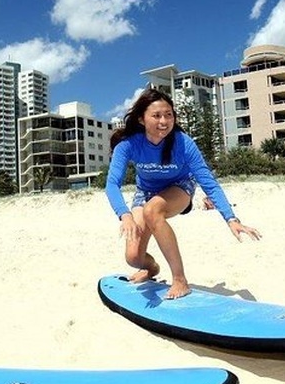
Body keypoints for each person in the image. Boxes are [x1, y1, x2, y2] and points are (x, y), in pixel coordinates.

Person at [106, 88, 261, 299]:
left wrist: (231, 218)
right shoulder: (128, 145)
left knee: (153, 210)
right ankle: (151, 269)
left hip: (180, 187)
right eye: (156, 115)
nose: (164, 121)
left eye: (169, 115)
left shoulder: (183, 143)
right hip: (146, 192)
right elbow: (112, 184)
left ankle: (180, 280)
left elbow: (208, 182)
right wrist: (125, 215)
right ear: (142, 120)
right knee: (133, 257)